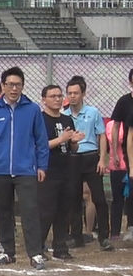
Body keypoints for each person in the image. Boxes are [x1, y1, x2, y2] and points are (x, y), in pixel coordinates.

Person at [0, 67, 49, 268]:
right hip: (0, 169)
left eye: (18, 84)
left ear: (23, 86)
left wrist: (42, 165)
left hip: (26, 169)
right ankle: (7, 251)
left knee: (30, 211)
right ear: (3, 86)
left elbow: (41, 140)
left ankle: (35, 253)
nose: (14, 88)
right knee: (3, 212)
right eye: (10, 84)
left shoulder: (33, 109)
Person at [63, 76, 111, 251]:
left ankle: (104, 236)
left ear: (83, 93)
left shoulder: (93, 112)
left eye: (76, 93)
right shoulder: (64, 114)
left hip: (91, 157)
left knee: (99, 198)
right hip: (73, 159)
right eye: (69, 93)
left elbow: (102, 135)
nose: (72, 96)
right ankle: (76, 236)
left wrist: (102, 158)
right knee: (74, 198)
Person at [39, 84, 80, 261]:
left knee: (64, 209)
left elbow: (73, 148)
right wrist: (61, 139)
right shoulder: (40, 119)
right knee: (47, 209)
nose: (57, 99)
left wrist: (73, 142)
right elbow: (40, 146)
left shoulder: (67, 120)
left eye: (58, 96)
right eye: (52, 96)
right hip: (48, 169)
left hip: (66, 168)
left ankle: (60, 246)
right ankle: (38, 245)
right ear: (44, 100)